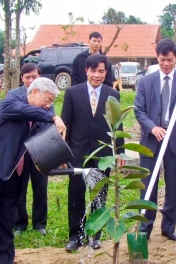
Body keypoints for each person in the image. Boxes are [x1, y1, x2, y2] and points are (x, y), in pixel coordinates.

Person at [0, 77, 66, 264]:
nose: (48, 105)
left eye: (51, 103)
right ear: (33, 92)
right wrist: (53, 117)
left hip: (15, 178)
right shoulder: (11, 103)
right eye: (47, 100)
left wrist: (57, 157)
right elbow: (24, 111)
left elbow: (41, 142)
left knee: (5, 227)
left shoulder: (39, 117)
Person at [134, 38, 176, 242]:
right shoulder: (146, 81)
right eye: (162, 59)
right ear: (157, 58)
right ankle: (145, 226)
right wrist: (152, 127)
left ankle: (169, 226)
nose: (166, 64)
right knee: (148, 184)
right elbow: (139, 110)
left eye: (170, 60)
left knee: (173, 186)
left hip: (175, 141)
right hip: (151, 140)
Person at [61, 54, 125, 251]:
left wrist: (119, 152)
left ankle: (94, 235)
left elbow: (117, 125)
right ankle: (75, 236)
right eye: (93, 71)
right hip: (78, 153)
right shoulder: (72, 93)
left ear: (106, 73)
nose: (97, 75)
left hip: (102, 155)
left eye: (101, 71)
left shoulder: (112, 94)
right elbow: (66, 124)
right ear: (86, 71)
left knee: (98, 196)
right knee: (76, 195)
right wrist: (63, 153)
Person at [12, 63, 54, 236]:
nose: (30, 80)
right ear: (21, 78)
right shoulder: (14, 95)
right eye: (27, 77)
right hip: (20, 151)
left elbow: (49, 121)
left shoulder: (46, 94)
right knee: (18, 189)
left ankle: (40, 224)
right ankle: (19, 224)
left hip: (40, 148)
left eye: (34, 77)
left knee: (40, 187)